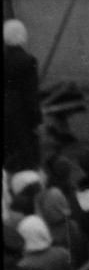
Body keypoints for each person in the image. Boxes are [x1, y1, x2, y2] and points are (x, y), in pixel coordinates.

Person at [4, 18, 41, 175]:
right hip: (20, 112)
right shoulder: (28, 60)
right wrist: (36, 119)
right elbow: (30, 94)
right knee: (26, 158)